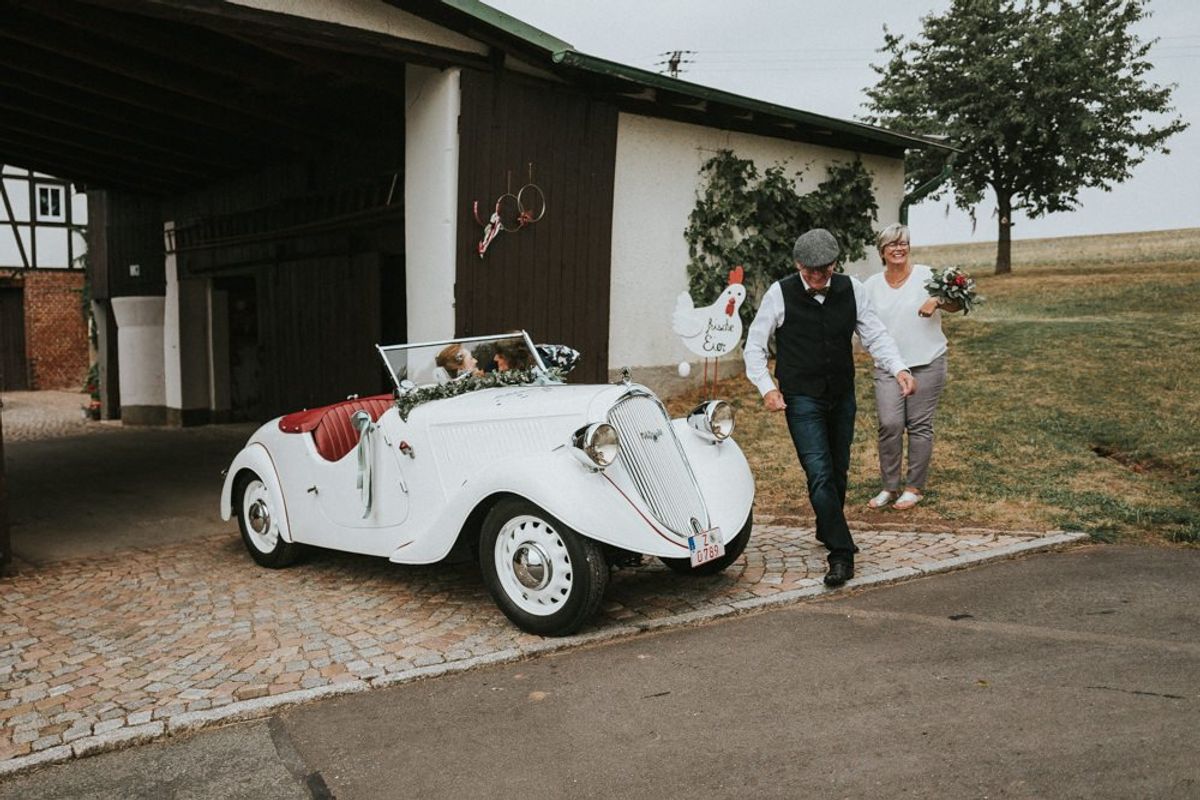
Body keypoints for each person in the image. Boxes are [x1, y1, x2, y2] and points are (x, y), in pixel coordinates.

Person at [744, 228, 915, 587]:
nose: (818, 277)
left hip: (841, 393)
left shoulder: (853, 290)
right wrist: (766, 388)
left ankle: (826, 526)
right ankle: (841, 552)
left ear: (835, 265)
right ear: (798, 264)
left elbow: (875, 335)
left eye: (825, 270)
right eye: (810, 271)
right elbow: (755, 346)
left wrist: (898, 367)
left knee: (838, 471)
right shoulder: (780, 293)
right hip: (801, 396)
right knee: (819, 471)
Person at [863, 223, 960, 511]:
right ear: (882, 251)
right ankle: (889, 487)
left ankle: (913, 488)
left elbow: (957, 303)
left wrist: (937, 300)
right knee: (890, 424)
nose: (899, 248)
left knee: (919, 425)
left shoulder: (927, 276)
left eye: (903, 243)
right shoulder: (871, 286)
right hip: (889, 367)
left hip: (928, 361)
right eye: (892, 244)